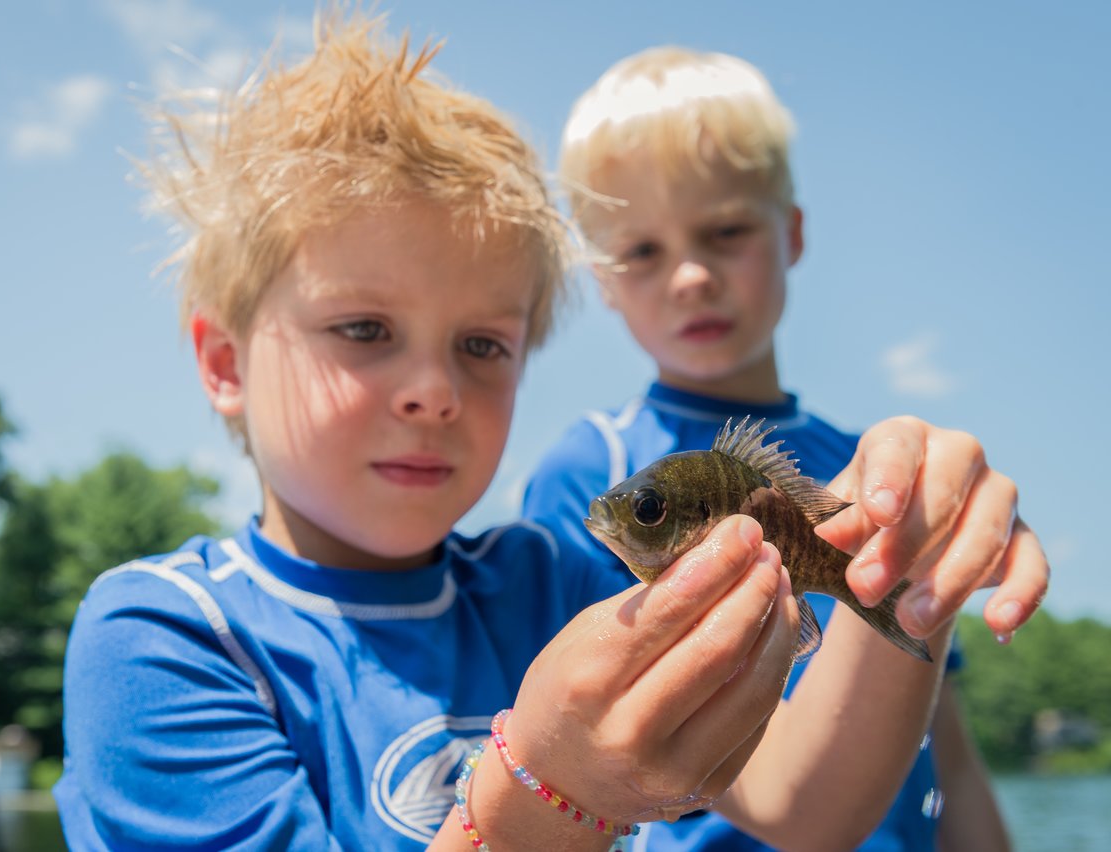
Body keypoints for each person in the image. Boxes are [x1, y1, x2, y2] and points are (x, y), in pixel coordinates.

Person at [54, 12, 1046, 851]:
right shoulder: (162, 639)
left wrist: (907, 576)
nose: (433, 391)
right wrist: (543, 793)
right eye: (364, 330)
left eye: (482, 345)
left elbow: (804, 805)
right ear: (223, 364)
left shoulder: (555, 585)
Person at [522, 46, 1019, 850]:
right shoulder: (588, 467)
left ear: (790, 234)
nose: (690, 275)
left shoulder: (874, 470)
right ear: (604, 280)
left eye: (725, 231)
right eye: (642, 251)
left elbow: (948, 749)